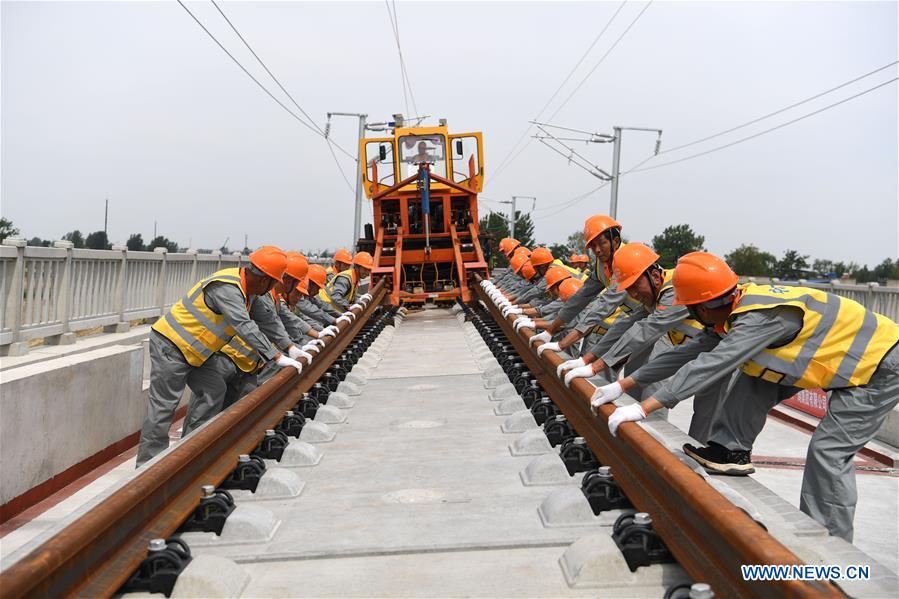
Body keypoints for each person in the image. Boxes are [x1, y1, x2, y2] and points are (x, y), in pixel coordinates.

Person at [602, 251, 899, 542]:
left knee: (829, 450)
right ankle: (730, 451)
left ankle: (830, 540)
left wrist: (643, 408)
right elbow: (685, 353)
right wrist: (624, 385)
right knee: (754, 374)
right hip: (837, 358)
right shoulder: (733, 309)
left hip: (880, 364)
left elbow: (711, 364)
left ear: (702, 308)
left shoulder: (758, 318)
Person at [137, 246, 306, 467]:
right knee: (163, 408)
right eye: (274, 282)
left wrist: (291, 347)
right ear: (264, 280)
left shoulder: (249, 293)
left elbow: (267, 320)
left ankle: (190, 451)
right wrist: (276, 357)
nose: (275, 287)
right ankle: (147, 468)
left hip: (198, 353)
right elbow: (244, 326)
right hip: (172, 346)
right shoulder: (228, 287)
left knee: (214, 389)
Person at [529, 215, 641, 367]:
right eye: (593, 246)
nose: (597, 250)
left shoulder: (627, 261)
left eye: (602, 243)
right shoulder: (602, 265)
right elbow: (579, 298)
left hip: (663, 324)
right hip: (638, 321)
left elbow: (605, 304)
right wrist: (550, 331)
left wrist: (562, 344)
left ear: (615, 241)